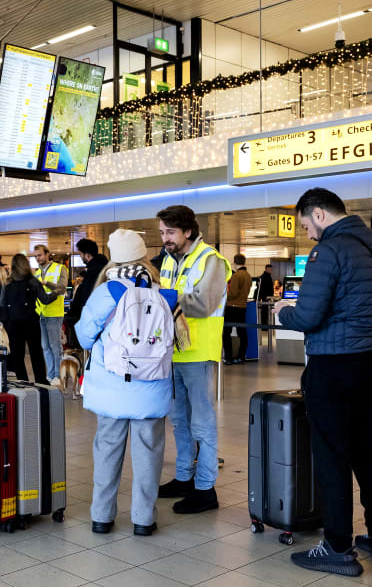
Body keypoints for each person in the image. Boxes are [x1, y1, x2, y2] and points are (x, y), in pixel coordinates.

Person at [274, 187, 372, 576]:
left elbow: (309, 316)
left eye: (306, 225)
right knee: (365, 447)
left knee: (331, 452)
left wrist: (284, 312)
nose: (308, 234)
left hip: (333, 363)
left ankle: (338, 547)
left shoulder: (328, 250)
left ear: (319, 214)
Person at [77, 229, 178, 537]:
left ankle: (102, 517)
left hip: (112, 388)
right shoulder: (163, 291)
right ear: (142, 256)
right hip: (152, 387)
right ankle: (144, 520)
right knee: (149, 453)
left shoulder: (106, 292)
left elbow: (83, 335)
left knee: (107, 449)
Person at [155, 205, 230, 514]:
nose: (165, 239)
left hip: (199, 352)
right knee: (180, 421)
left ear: (187, 231)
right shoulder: (170, 261)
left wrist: (164, 297)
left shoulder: (210, 260)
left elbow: (202, 303)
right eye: (161, 233)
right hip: (174, 351)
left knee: (202, 422)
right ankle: (185, 476)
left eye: (170, 232)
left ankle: (205, 488)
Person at [0, 254, 57, 384]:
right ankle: (40, 381)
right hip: (31, 322)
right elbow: (45, 299)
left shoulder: (8, 282)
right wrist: (55, 293)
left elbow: (1, 303)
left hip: (13, 324)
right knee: (36, 354)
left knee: (18, 355)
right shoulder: (33, 281)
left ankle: (23, 381)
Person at [33, 245, 68, 387]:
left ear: (47, 254)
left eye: (39, 255)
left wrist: (46, 283)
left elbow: (63, 287)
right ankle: (50, 374)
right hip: (40, 313)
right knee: (45, 346)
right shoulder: (36, 273)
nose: (37, 258)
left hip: (54, 312)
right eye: (35, 256)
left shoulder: (60, 268)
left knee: (55, 346)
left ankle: (58, 375)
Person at [66, 239, 108, 349]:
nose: (80, 257)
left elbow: (85, 301)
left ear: (87, 256)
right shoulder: (106, 271)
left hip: (94, 325)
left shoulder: (92, 275)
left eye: (80, 254)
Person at [222, 253, 252, 364]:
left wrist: (223, 294)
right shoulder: (248, 275)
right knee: (242, 333)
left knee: (226, 333)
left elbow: (233, 293)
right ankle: (241, 356)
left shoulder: (236, 275)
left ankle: (228, 357)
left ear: (234, 263)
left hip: (232, 307)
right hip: (242, 307)